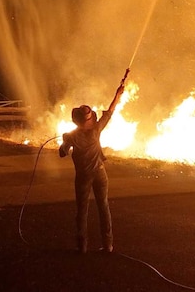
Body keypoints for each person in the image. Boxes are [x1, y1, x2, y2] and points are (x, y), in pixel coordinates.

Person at [59, 73, 127, 254]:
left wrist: (64, 142)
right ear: (90, 120)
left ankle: (82, 247)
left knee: (82, 210)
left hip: (83, 176)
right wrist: (118, 94)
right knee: (103, 206)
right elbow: (110, 112)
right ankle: (108, 245)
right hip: (100, 172)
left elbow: (62, 153)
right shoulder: (96, 129)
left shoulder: (72, 136)